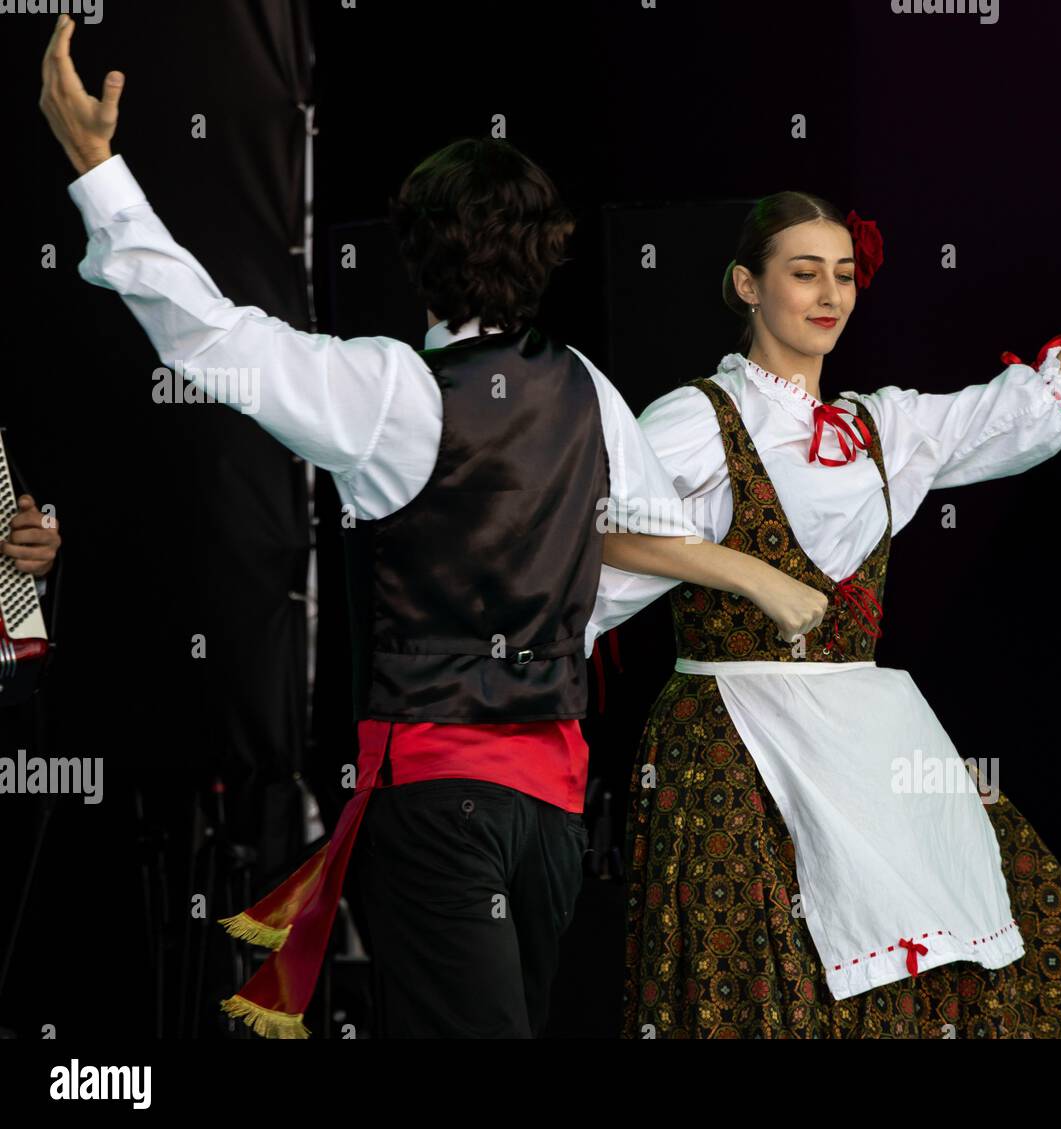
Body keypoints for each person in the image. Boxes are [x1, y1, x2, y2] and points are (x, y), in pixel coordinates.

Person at [37, 14, 809, 1038]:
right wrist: (553, 621)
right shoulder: (587, 390)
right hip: (553, 810)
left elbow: (210, 337)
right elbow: (652, 549)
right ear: (547, 256)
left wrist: (97, 168)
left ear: (416, 253)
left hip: (442, 800)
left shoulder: (392, 389)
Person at [594, 174, 1061, 1037]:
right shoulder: (699, 417)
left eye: (842, 272)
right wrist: (750, 573)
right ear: (747, 285)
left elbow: (1044, 401)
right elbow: (596, 526)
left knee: (976, 972)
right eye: (804, 272)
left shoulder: (883, 428)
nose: (830, 292)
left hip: (870, 746)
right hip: (736, 750)